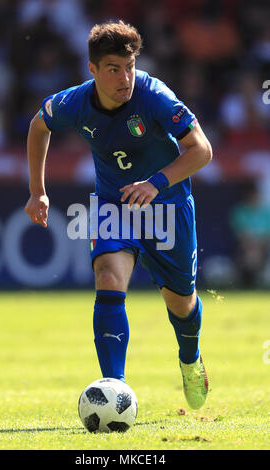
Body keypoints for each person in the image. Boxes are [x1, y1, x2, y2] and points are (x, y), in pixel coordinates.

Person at [25, 20, 212, 410]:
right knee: (107, 276)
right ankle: (114, 389)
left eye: (129, 67)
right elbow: (38, 125)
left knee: (181, 303)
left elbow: (201, 150)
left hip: (168, 209)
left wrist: (156, 182)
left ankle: (190, 359)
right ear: (92, 70)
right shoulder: (74, 103)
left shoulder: (155, 95)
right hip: (114, 206)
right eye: (113, 69)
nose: (125, 78)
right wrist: (37, 191)